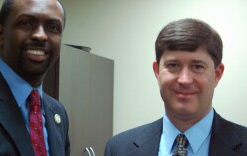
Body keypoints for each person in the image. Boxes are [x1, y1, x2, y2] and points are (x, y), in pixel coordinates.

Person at [104, 18, 247, 156]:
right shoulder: (118, 149)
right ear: (157, 71)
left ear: (217, 74)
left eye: (197, 66)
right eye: (173, 65)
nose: (184, 80)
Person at [0, 0, 70, 155]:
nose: (40, 36)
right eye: (26, 23)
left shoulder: (58, 112)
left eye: (53, 27)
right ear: (0, 34)